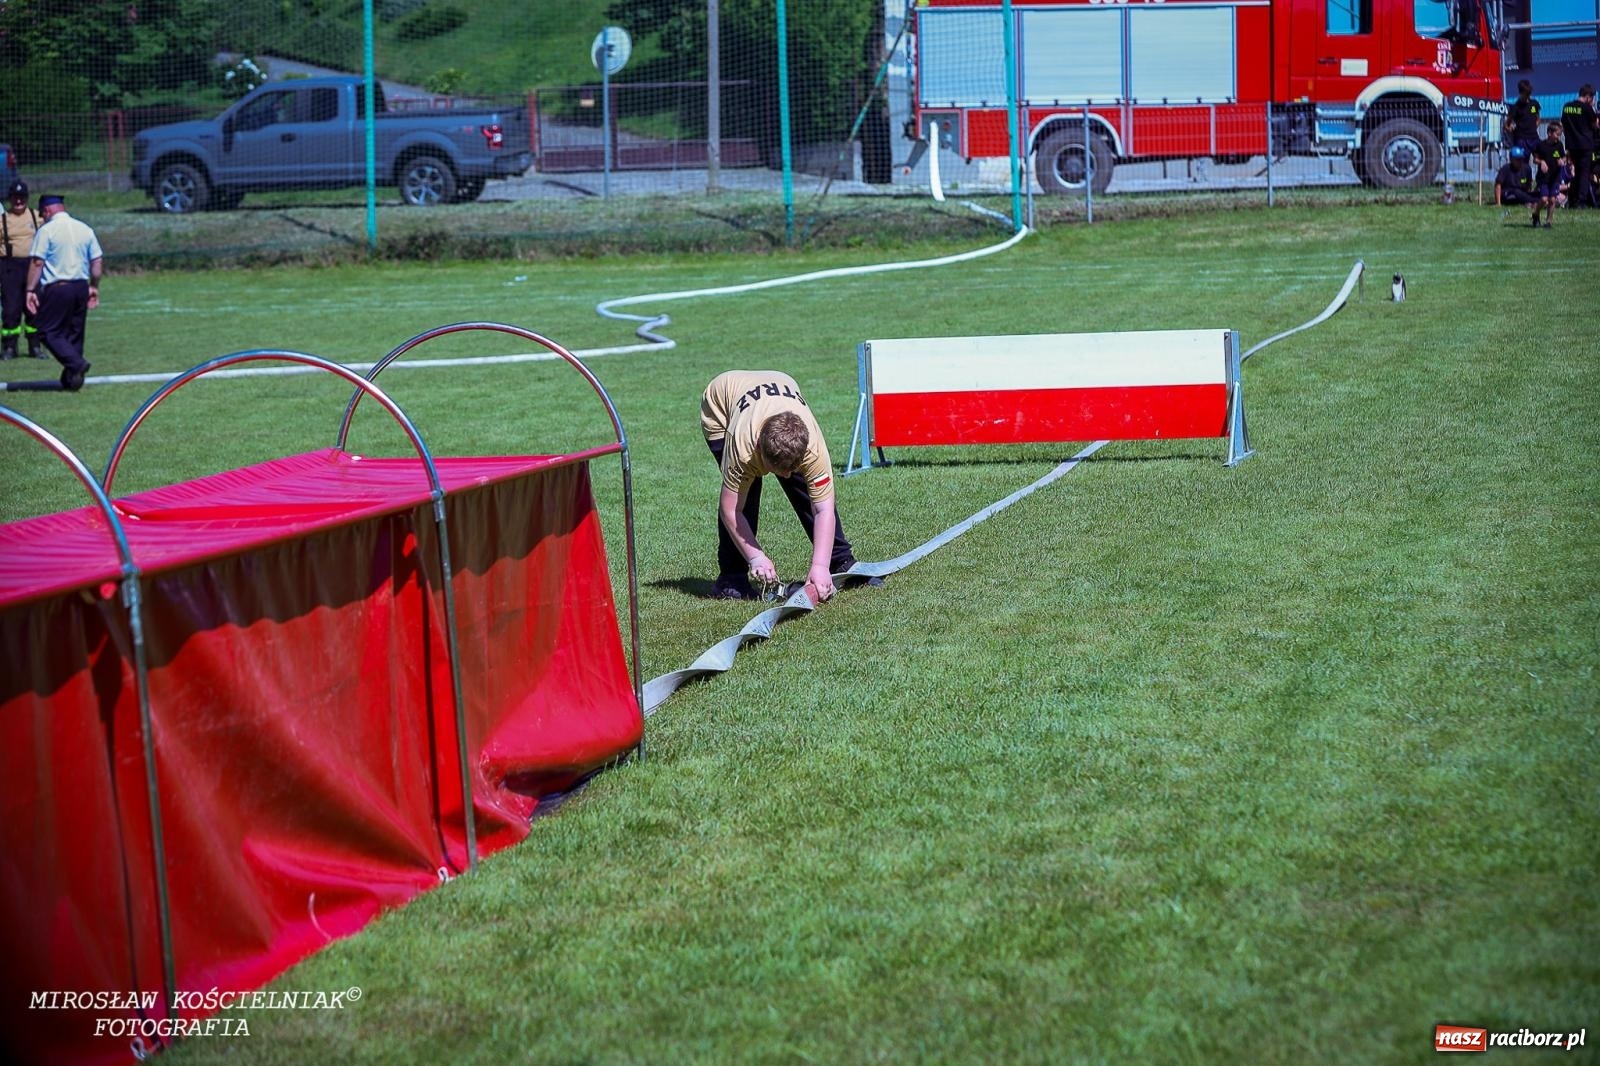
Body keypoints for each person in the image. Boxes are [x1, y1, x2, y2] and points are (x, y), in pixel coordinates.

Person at [700, 370, 877, 601]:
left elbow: (823, 508)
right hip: (720, 404)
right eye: (778, 469)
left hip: (780, 382)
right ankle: (731, 580)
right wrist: (756, 557)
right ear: (758, 448)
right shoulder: (742, 449)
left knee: (804, 486)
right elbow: (731, 509)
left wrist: (820, 566)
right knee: (747, 496)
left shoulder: (813, 449)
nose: (785, 476)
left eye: (791, 468)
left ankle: (840, 560)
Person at [22, 194, 102, 392]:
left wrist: (30, 289)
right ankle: (72, 381)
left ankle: (77, 365)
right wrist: (94, 286)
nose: (42, 218)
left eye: (42, 214)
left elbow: (37, 262)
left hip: (58, 287)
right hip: (80, 286)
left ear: (47, 211)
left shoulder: (47, 230)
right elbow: (97, 262)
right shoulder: (85, 229)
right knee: (74, 333)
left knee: (47, 331)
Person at [0, 180, 44, 360]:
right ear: (10, 199)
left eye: (22, 197)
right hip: (9, 268)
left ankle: (35, 346)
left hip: (32, 267)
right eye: (15, 198)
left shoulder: (37, 217)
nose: (19, 201)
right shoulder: (3, 220)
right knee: (11, 309)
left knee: (34, 307)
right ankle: (10, 347)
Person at [1560, 84, 1598, 207]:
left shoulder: (1567, 107)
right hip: (1585, 144)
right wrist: (1592, 108)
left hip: (1572, 144)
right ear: (1588, 97)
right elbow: (1595, 124)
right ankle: (1581, 201)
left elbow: (1564, 124)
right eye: (1592, 98)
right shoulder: (1587, 108)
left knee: (1576, 173)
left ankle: (1572, 200)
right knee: (1584, 173)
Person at [1494, 146, 1541, 226]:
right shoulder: (1505, 169)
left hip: (1521, 194)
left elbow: (1528, 186)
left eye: (1521, 159)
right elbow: (1498, 185)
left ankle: (1540, 201)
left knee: (1538, 192)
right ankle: (1536, 202)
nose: (1520, 161)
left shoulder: (1527, 169)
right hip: (1508, 194)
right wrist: (1498, 203)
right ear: (1511, 159)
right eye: (1517, 159)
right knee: (1516, 192)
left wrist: (1530, 193)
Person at [1532, 122, 1568, 226]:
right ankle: (1536, 214)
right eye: (1557, 134)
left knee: (1552, 200)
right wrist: (1541, 162)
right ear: (1549, 133)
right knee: (1544, 199)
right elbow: (1535, 159)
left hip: (1555, 177)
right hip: (1544, 178)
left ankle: (1548, 221)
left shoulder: (1559, 145)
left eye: (1560, 134)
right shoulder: (1541, 145)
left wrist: (1562, 160)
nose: (1558, 137)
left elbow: (1564, 157)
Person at [1504, 79, 1542, 155]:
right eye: (1526, 95)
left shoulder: (1534, 104)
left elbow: (1538, 118)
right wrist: (1510, 130)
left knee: (1542, 158)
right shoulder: (1516, 107)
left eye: (1529, 94)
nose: (1528, 97)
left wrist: (1534, 127)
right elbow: (1506, 124)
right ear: (1520, 93)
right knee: (1522, 162)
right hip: (1521, 139)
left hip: (1534, 137)